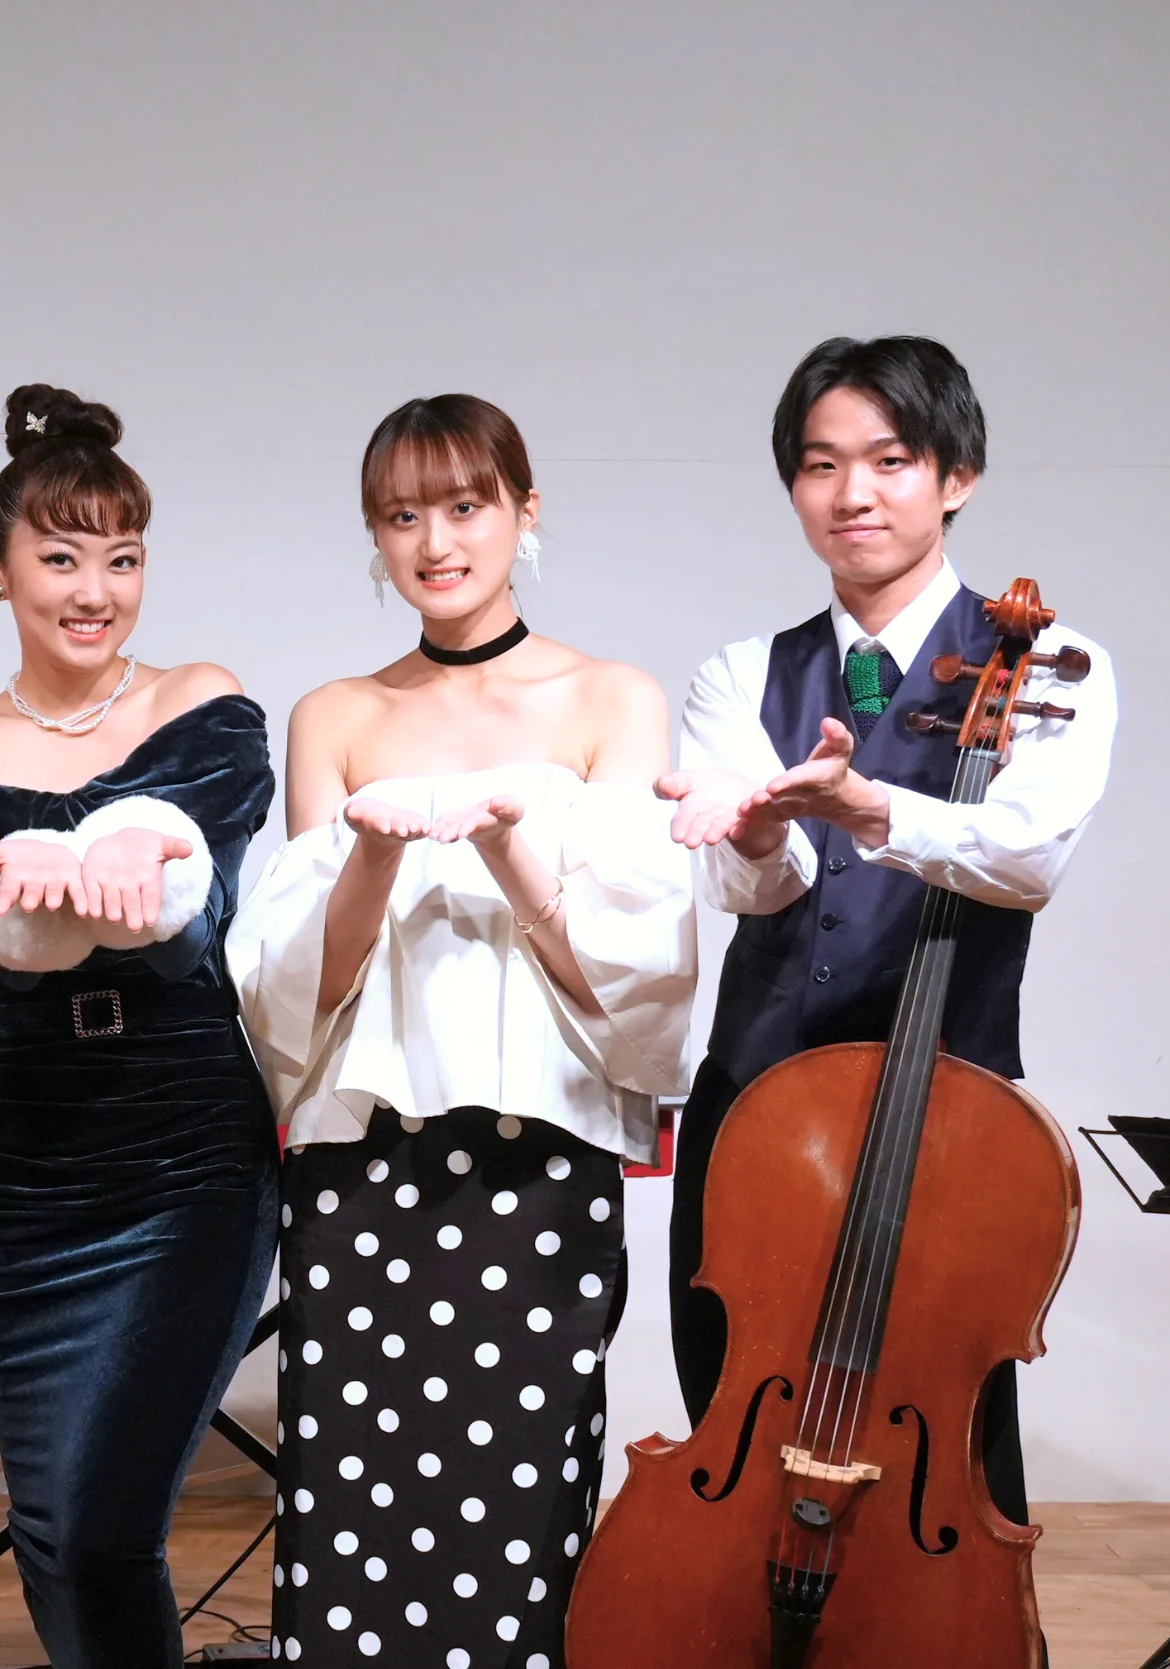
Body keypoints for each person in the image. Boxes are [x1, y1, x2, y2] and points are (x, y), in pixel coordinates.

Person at [228, 394, 696, 1666]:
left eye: (464, 504)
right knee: (349, 1498)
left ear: (523, 510)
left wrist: (504, 843)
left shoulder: (610, 697)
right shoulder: (333, 713)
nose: (434, 541)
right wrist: (373, 855)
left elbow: (625, 979)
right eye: (401, 515)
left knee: (519, 1500)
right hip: (361, 1167)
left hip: (534, 1165)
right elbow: (303, 994)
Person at [657, 335, 1116, 1535]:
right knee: (726, 1387)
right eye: (820, 465)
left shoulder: (1054, 665)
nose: (850, 493)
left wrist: (871, 807)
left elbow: (1026, 857)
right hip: (758, 1098)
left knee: (950, 1417)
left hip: (951, 1108)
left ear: (956, 475)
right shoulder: (740, 673)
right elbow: (755, 890)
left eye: (889, 460)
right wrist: (760, 832)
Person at [0, 386, 279, 1668]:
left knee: (109, 1528)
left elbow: (188, 919)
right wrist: (69, 881)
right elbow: (4, 945)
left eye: (122, 558)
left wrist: (132, 867)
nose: (94, 591)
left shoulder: (200, 701)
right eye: (60, 558)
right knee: (52, 1532)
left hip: (185, 1145)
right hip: (29, 1155)